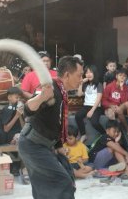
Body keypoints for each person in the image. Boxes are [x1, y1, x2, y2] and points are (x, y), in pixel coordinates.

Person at [18, 56, 83, 199]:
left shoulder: (62, 91)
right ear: (67, 75)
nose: (81, 79)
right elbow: (27, 110)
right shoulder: (50, 88)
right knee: (62, 182)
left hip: (45, 144)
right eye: (79, 75)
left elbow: (56, 121)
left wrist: (59, 145)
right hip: (32, 145)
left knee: (63, 178)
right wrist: (41, 97)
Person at [75, 65, 105, 143]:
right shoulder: (86, 85)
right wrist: (81, 83)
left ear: (94, 73)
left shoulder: (98, 84)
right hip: (86, 106)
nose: (88, 74)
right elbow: (79, 94)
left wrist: (92, 111)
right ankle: (83, 134)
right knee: (78, 116)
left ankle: (104, 134)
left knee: (94, 122)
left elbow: (99, 99)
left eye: (90, 72)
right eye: (87, 72)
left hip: (96, 107)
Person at [102, 68, 128, 134]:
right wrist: (111, 105)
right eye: (120, 75)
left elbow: (125, 101)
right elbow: (103, 100)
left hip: (120, 107)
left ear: (126, 78)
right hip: (110, 108)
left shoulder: (126, 88)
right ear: (116, 76)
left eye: (124, 76)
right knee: (118, 110)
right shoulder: (109, 86)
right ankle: (127, 128)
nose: (122, 77)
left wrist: (122, 89)